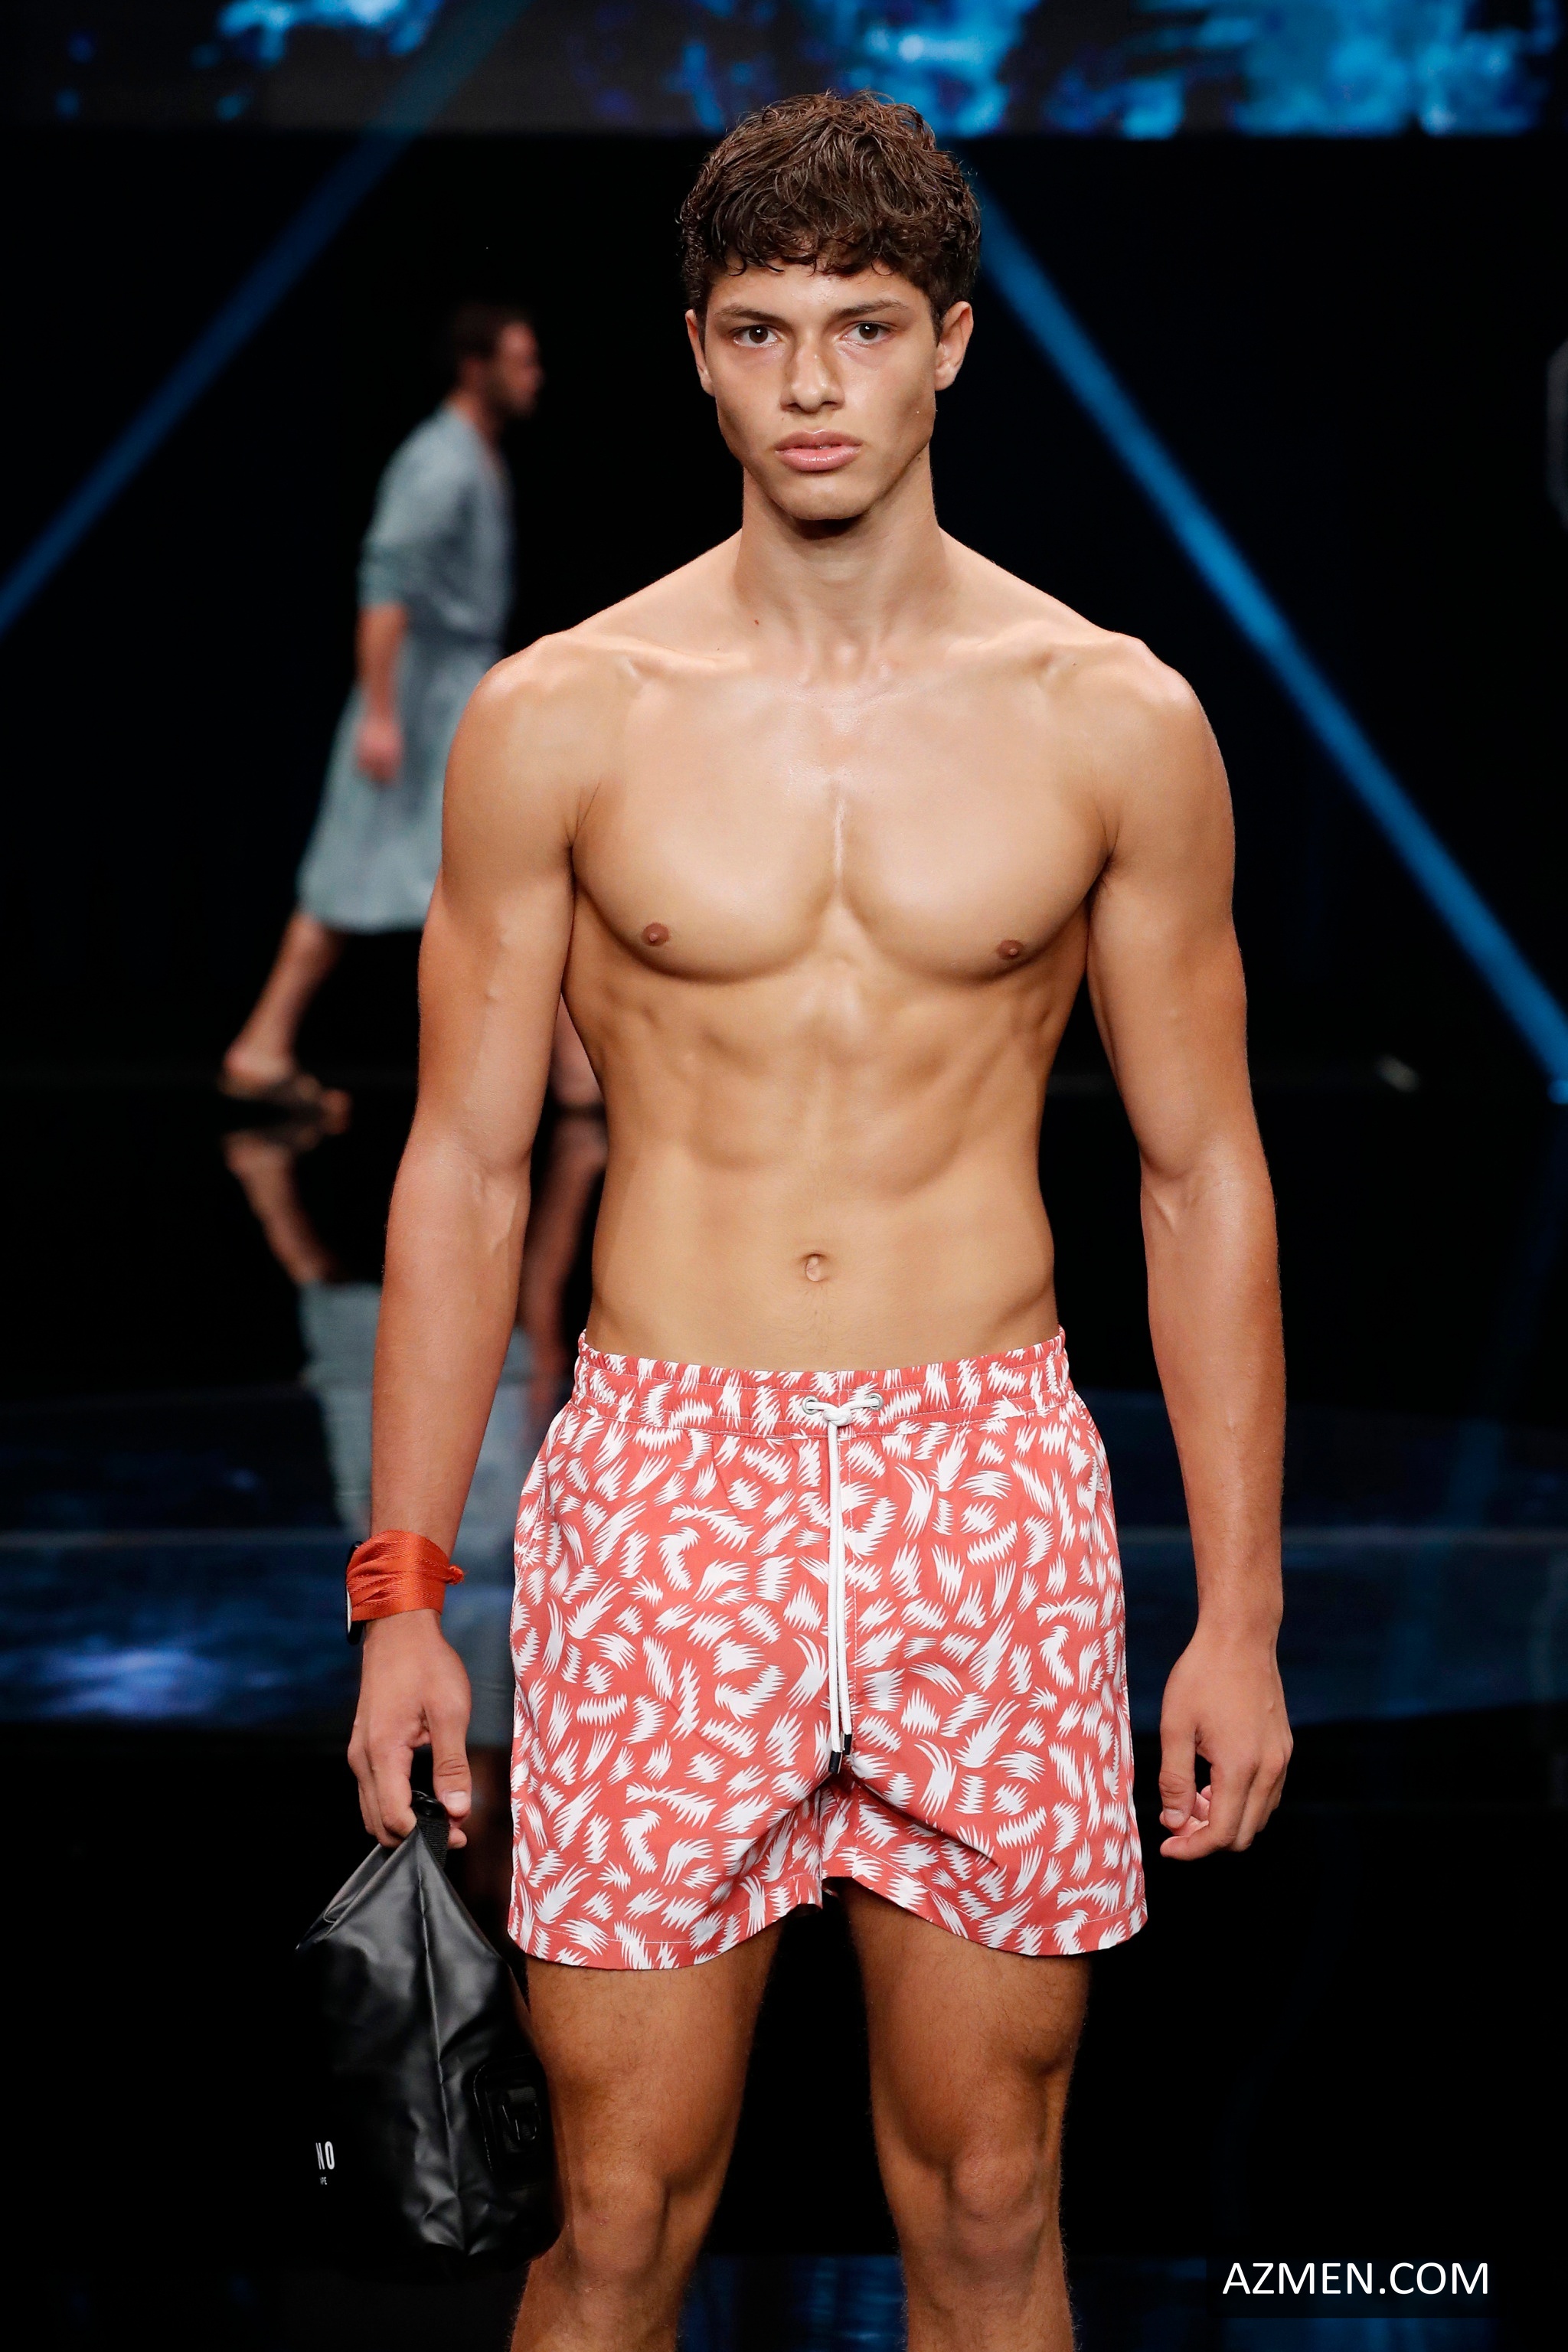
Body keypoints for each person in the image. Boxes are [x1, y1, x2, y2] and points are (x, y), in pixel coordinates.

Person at [346, 93, 1292, 2352]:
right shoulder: (562, 717)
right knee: (612, 2213)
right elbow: (464, 1163)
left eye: (862, 326)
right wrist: (399, 1594)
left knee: (989, 2197)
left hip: (986, 1480)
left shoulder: (1111, 719)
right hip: (669, 1481)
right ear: (695, 350)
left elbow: (1200, 1171)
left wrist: (1243, 1613)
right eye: (760, 329)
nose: (810, 384)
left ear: (949, 341)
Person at [221, 302, 542, 1106]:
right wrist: (380, 710)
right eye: (518, 360)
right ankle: (261, 1046)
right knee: (357, 873)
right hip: (418, 695)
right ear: (476, 368)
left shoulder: (472, 455)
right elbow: (386, 585)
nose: (532, 376)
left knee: (499, 874)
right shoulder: (439, 462)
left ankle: (557, 1071)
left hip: (451, 689)